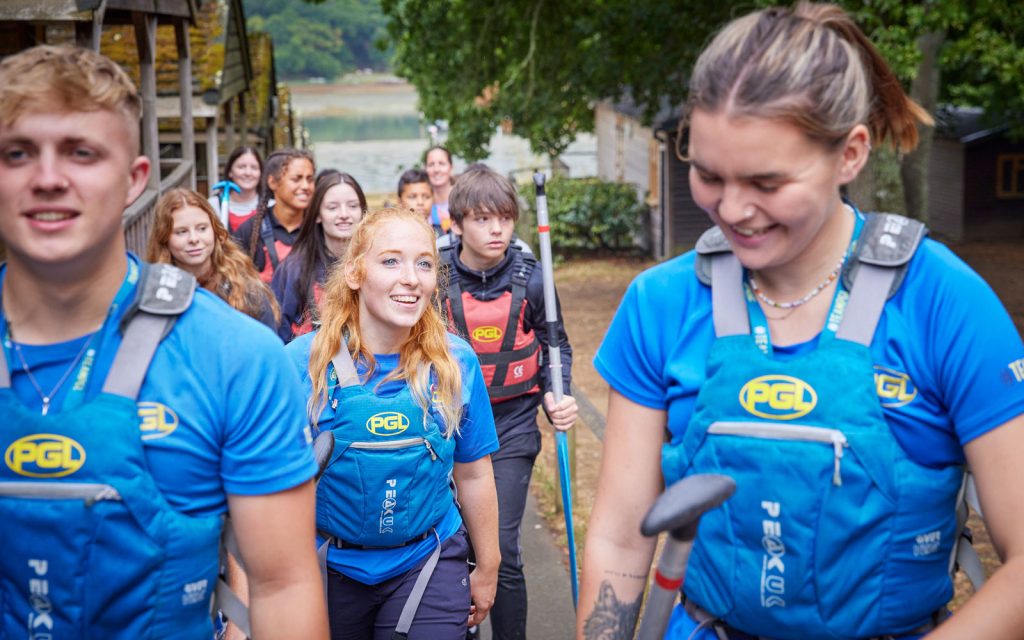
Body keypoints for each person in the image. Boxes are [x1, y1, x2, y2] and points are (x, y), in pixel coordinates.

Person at [578, 3, 1024, 639]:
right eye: (707, 175)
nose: (732, 210)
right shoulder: (661, 303)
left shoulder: (944, 302)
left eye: (766, 181)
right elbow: (622, 541)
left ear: (850, 154)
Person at [0, 45, 327, 638]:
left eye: (81, 153)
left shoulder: (236, 355)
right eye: (17, 153)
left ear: (134, 180)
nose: (49, 178)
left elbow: (284, 583)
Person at [287, 207, 501, 639]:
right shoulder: (301, 364)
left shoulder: (455, 363)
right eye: (390, 261)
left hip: (427, 560)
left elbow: (474, 472)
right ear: (354, 273)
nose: (411, 277)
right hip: (326, 565)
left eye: (424, 263)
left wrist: (490, 566)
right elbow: (259, 487)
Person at [439, 165, 578, 640]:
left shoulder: (534, 280)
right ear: (456, 224)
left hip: (513, 427)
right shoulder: (435, 279)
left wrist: (560, 395)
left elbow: (555, 343)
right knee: (455, 546)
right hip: (449, 427)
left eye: (504, 218)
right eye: (482, 219)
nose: (496, 229)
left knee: (500, 546)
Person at [147, 187, 280, 331]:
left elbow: (267, 346)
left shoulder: (245, 290)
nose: (194, 239)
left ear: (214, 230)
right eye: (182, 232)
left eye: (202, 228)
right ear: (164, 238)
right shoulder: (154, 294)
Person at [271, 170, 367, 342]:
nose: (344, 214)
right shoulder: (295, 268)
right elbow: (278, 331)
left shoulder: (374, 263)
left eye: (353, 206)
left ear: (363, 213)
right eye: (332, 207)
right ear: (317, 215)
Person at [233, 148, 315, 283]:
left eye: (310, 179)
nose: (306, 186)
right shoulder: (249, 231)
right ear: (273, 182)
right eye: (296, 179)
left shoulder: (318, 226)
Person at [209, 145, 263, 232]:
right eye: (241, 167)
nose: (248, 173)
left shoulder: (271, 206)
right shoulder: (213, 205)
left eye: (254, 168)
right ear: (230, 172)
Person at [397, 167, 437, 233]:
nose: (420, 202)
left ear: (433, 199)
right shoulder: (393, 235)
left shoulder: (441, 235)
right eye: (412, 197)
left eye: (426, 197)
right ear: (399, 202)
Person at [425, 145, 454, 233]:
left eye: (441, 163)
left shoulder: (464, 199)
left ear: (451, 167)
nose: (436, 169)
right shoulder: (421, 204)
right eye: (431, 164)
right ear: (425, 169)